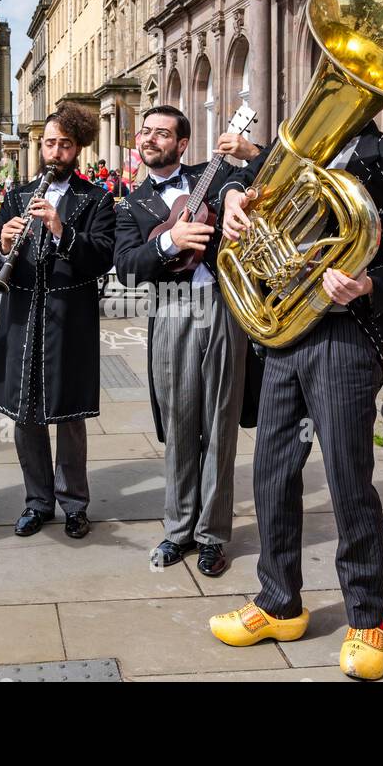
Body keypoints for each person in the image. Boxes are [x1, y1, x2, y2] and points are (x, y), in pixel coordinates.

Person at [208, 117, 383, 681]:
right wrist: (236, 197)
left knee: (347, 478)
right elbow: (234, 185)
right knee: (271, 471)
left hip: (345, 335)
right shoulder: (296, 144)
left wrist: (368, 284)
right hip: (284, 329)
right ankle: (278, 601)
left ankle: (367, 616)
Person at [113, 106, 261, 577]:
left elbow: (264, 172)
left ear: (181, 145)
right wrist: (169, 241)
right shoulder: (131, 204)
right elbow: (127, 268)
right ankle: (177, 529)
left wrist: (247, 155)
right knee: (179, 424)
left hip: (222, 304)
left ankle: (213, 535)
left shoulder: (212, 176)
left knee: (220, 423)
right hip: (171, 307)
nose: (151, 138)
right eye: (146, 131)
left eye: (163, 133)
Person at [0, 102, 116, 539]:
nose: (55, 152)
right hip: (22, 315)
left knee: (69, 416)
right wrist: (1, 245)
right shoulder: (17, 195)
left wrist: (60, 229)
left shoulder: (96, 199)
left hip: (67, 319)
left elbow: (100, 257)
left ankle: (74, 503)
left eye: (65, 145)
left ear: (78, 149)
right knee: (25, 414)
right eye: (50, 144)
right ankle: (37, 501)